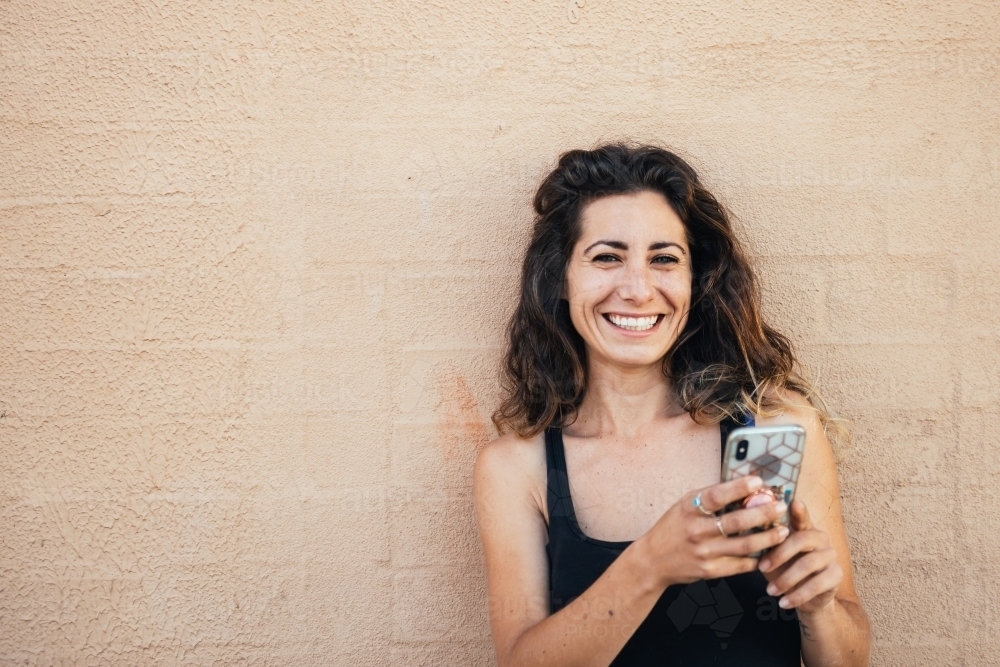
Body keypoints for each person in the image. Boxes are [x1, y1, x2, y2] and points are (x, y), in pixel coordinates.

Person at [474, 144, 870, 666]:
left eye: (664, 259)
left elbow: (849, 659)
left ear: (694, 282)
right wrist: (652, 564)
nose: (639, 289)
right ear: (561, 281)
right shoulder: (516, 467)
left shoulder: (776, 431)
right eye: (607, 257)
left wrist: (819, 606)